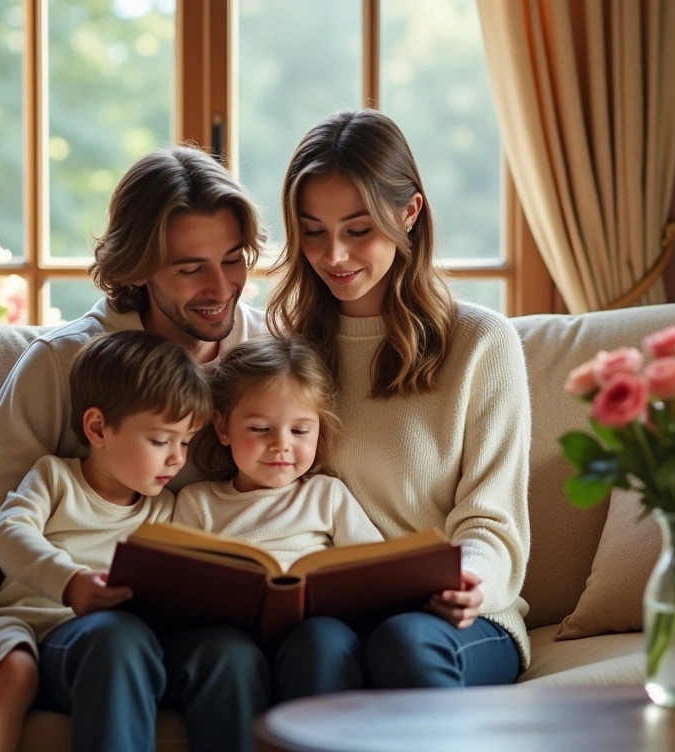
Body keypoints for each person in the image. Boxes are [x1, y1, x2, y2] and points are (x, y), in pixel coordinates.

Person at [0, 146, 271, 752]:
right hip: (83, 629)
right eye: (190, 268)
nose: (222, 289)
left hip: (187, 627)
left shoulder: (268, 358)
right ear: (137, 269)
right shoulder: (64, 363)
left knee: (234, 656)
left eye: (233, 260)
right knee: (118, 640)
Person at [265, 109, 533, 699]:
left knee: (403, 642)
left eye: (358, 230)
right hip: (336, 616)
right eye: (313, 231)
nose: (334, 255)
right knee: (312, 648)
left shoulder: (480, 343)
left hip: (458, 617)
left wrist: (470, 580)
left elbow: (491, 520)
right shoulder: (286, 353)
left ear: (409, 213)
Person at [0, 331, 206, 752]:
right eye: (160, 440)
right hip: (28, 625)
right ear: (97, 428)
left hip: (108, 646)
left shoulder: (165, 509)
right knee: (13, 675)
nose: (177, 458)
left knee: (129, 643)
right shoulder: (54, 477)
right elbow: (6, 533)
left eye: (185, 442)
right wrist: (69, 581)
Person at [174, 336, 383, 571]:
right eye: (261, 429)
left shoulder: (327, 494)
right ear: (222, 427)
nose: (281, 445)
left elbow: (374, 567)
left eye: (299, 431)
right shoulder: (197, 502)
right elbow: (180, 578)